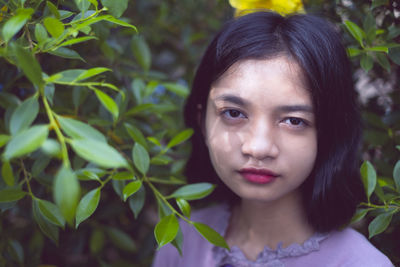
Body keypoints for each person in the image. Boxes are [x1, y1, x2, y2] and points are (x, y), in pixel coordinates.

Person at [152, 11, 394, 267]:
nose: (258, 147)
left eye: (293, 120)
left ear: (328, 131)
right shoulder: (181, 240)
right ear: (202, 121)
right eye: (233, 113)